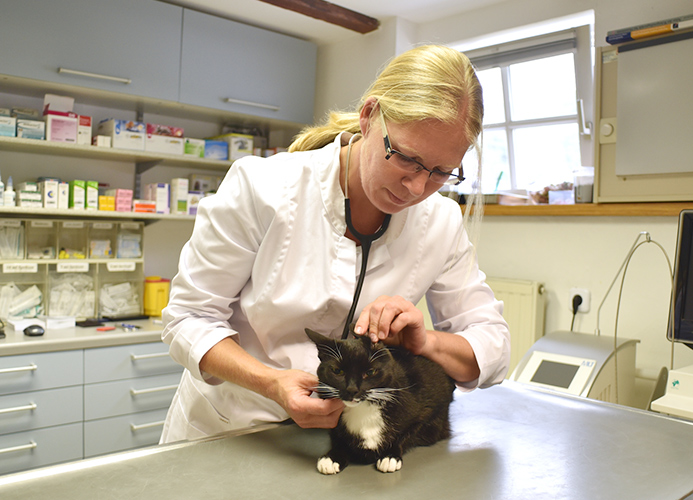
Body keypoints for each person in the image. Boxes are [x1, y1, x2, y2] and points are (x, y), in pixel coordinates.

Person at [160, 44, 511, 444]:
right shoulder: (264, 187)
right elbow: (187, 318)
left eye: (440, 172)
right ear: (368, 117)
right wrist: (272, 383)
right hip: (234, 429)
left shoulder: (441, 223)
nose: (416, 187)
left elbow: (493, 345)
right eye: (406, 158)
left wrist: (425, 341)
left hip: (354, 442)